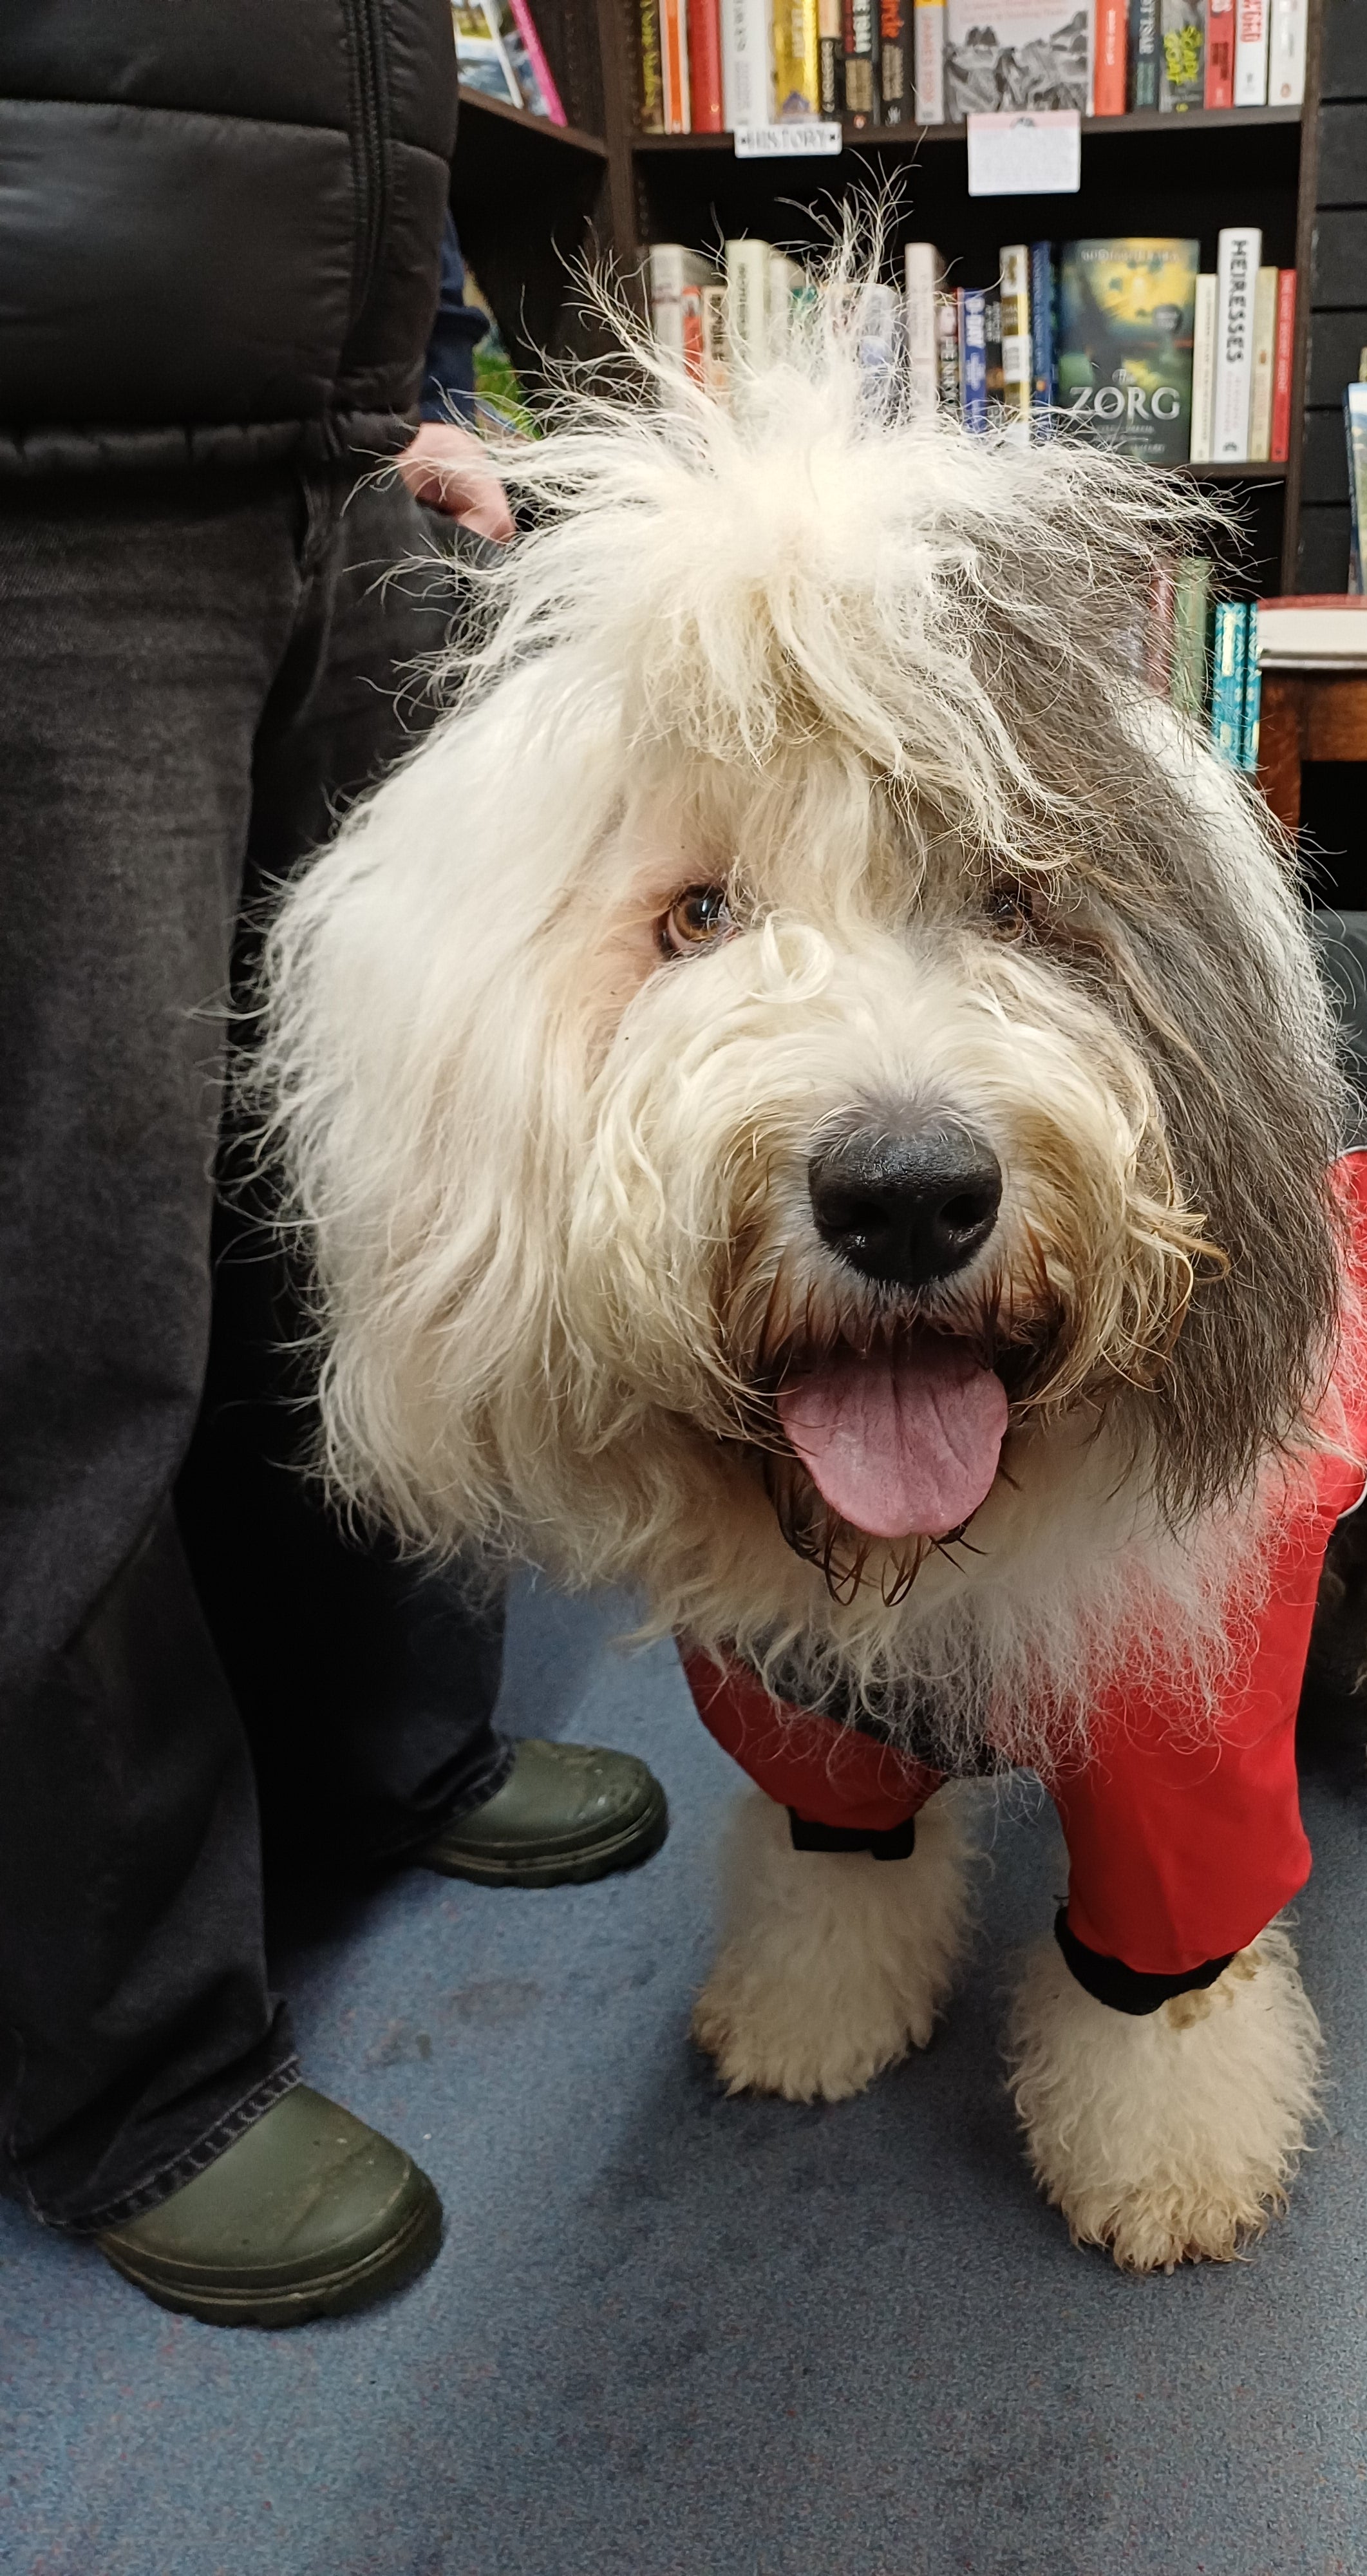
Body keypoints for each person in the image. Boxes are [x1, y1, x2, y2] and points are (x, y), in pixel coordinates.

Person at [0, 3, 664, 2331]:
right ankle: (128, 2063)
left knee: (377, 1202)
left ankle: (387, 1742)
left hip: (337, 452)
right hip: (44, 478)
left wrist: (432, 355)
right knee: (62, 1326)